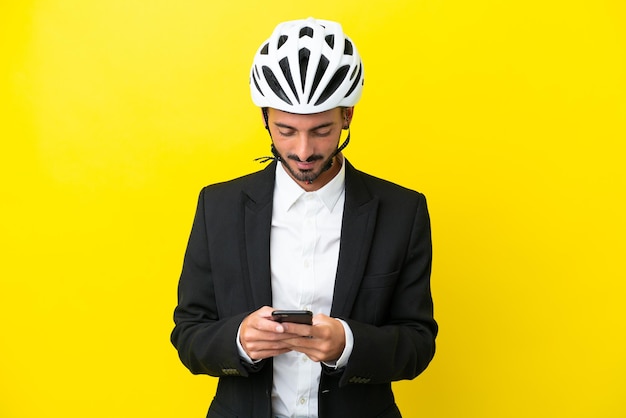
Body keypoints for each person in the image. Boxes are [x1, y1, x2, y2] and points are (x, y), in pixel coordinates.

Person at [171, 17, 437, 418]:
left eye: (321, 130)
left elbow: (418, 343)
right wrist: (240, 340)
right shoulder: (218, 206)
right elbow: (189, 334)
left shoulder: (402, 211)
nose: (303, 150)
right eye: (286, 130)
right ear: (264, 117)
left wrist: (347, 344)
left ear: (347, 116)